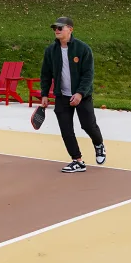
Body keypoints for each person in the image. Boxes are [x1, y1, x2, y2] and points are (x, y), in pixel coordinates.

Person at [38, 16, 106, 173]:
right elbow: (46, 74)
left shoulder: (83, 49)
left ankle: (99, 144)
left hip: (83, 96)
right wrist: (44, 94)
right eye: (55, 28)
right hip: (62, 96)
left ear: (70, 29)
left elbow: (88, 75)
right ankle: (77, 161)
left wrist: (80, 93)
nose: (57, 30)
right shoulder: (50, 51)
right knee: (66, 129)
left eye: (60, 28)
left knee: (88, 125)